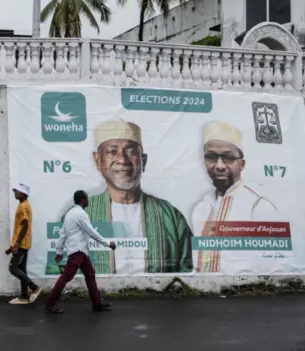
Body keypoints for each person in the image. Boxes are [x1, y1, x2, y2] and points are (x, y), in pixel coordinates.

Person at [61, 118, 193, 275]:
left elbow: (188, 269)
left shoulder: (171, 217)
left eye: (131, 152)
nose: (122, 160)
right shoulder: (78, 215)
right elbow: (61, 267)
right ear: (98, 160)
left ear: (143, 160)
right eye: (112, 152)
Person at [190, 121, 280, 273]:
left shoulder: (258, 206)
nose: (219, 165)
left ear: (242, 164)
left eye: (228, 158)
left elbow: (274, 266)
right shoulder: (201, 209)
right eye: (211, 157)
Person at [45, 190, 117, 314]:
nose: (88, 201)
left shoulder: (69, 214)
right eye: (87, 199)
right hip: (78, 252)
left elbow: (63, 234)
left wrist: (59, 251)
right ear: (83, 200)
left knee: (90, 275)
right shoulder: (80, 214)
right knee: (66, 277)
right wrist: (108, 243)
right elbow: (91, 232)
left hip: (80, 252)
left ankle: (97, 303)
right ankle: (50, 304)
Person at [6, 182, 42, 305]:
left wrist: (16, 244)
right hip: (21, 243)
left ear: (23, 193)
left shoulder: (23, 206)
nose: (15, 193)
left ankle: (34, 288)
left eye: (17, 191)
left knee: (13, 268)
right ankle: (24, 296)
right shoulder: (23, 205)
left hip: (21, 244)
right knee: (22, 270)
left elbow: (25, 225)